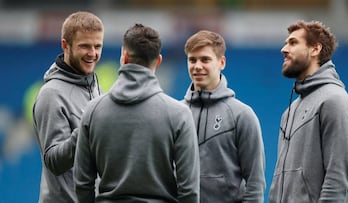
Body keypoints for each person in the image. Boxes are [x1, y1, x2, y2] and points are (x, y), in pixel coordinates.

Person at [74, 23, 200, 203]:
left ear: (124, 58)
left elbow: (82, 184)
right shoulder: (179, 114)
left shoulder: (93, 111)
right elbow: (189, 191)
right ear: (158, 61)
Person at [269, 20, 348, 202]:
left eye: (293, 43)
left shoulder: (335, 101)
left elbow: (338, 181)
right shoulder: (290, 111)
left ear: (315, 49)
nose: (284, 49)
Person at [182, 30, 266, 202]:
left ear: (222, 62)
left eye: (205, 59)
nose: (197, 66)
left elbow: (255, 183)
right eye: (192, 60)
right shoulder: (176, 113)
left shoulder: (242, 115)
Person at [32, 11, 104, 203]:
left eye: (98, 46)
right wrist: (88, 128)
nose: (93, 53)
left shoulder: (94, 84)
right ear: (65, 45)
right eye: (85, 46)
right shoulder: (51, 94)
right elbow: (53, 161)